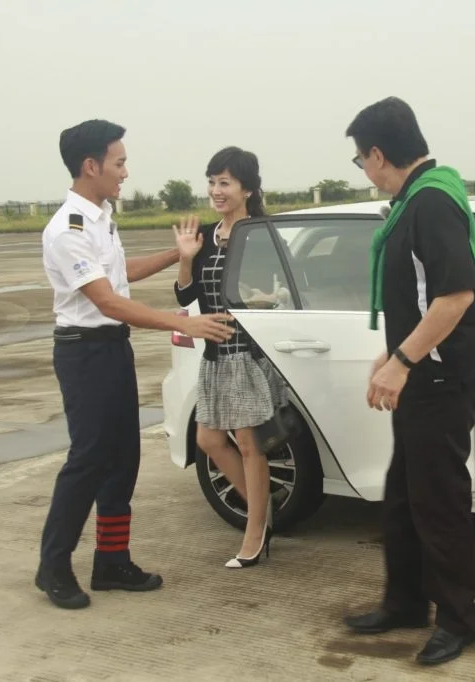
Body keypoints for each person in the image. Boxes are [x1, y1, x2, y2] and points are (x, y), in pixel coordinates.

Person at [37, 119, 235, 610]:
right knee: (88, 459)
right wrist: (184, 322)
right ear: (91, 166)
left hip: (112, 349)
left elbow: (119, 276)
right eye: (119, 163)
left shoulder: (101, 218)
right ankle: (53, 566)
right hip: (85, 353)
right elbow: (107, 300)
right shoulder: (68, 228)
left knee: (123, 457)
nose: (125, 172)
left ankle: (111, 561)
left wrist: (178, 253)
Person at [342, 97, 475, 666]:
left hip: (441, 377)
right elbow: (418, 297)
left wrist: (402, 362)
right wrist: (392, 354)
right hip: (422, 373)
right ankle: (406, 603)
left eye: (360, 160)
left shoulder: (430, 202)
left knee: (438, 503)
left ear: (378, 154)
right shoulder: (417, 199)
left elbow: (456, 295)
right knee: (404, 497)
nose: (364, 171)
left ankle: (458, 620)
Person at [173, 146, 288, 569]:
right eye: (212, 182)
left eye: (225, 182)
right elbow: (186, 296)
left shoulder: (261, 233)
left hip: (247, 353)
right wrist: (186, 258)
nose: (216, 190)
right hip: (215, 354)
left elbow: (285, 290)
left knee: (250, 445)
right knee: (208, 441)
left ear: (248, 189)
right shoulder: (205, 234)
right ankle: (264, 507)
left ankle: (255, 532)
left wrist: (268, 298)